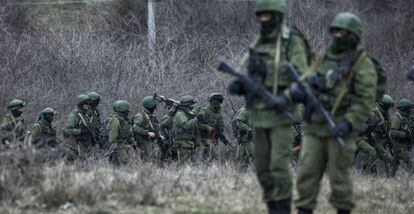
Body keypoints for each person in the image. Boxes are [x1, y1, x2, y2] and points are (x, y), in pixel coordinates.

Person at [228, 0, 309, 212]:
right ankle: (273, 206)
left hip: (281, 116)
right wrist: (241, 85)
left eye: (267, 15)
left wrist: (285, 96)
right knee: (263, 169)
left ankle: (282, 209)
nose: (263, 20)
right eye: (260, 16)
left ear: (277, 16)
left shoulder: (292, 41)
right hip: (258, 115)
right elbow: (254, 76)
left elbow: (303, 78)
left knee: (278, 167)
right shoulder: (258, 42)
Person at [293, 12, 378, 214]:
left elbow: (365, 100)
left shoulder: (362, 63)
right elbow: (306, 81)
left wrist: (349, 123)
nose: (338, 35)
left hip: (340, 128)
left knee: (340, 180)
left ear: (353, 35)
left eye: (342, 32)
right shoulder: (325, 58)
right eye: (335, 31)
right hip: (314, 127)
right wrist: (298, 92)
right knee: (306, 176)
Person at [357, 94, 395, 175]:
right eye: (387, 107)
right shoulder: (374, 114)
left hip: (372, 138)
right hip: (359, 137)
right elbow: (363, 129)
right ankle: (365, 174)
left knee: (375, 154)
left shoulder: (382, 115)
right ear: (384, 106)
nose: (388, 110)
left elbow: (386, 128)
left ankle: (371, 175)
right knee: (373, 152)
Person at [197, 93, 231, 161]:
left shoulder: (219, 112)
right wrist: (207, 127)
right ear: (212, 101)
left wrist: (225, 137)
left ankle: (208, 170)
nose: (217, 103)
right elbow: (198, 124)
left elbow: (222, 126)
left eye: (219, 101)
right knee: (214, 156)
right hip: (204, 139)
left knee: (210, 159)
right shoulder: (204, 111)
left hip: (214, 139)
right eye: (216, 101)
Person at [63, 94, 94, 161]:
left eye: (89, 105)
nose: (88, 106)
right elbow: (66, 131)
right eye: (86, 104)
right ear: (81, 104)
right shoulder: (74, 116)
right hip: (75, 146)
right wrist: (80, 131)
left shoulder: (85, 116)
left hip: (85, 146)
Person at [133, 96, 164, 160]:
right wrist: (147, 133)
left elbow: (155, 126)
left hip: (152, 140)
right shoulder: (141, 115)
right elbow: (135, 127)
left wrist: (159, 134)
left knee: (157, 156)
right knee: (147, 158)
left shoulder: (151, 115)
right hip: (144, 140)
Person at [172, 95, 201, 162]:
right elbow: (186, 125)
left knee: (190, 165)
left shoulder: (188, 114)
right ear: (188, 105)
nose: (193, 106)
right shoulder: (180, 114)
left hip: (189, 143)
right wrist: (196, 119)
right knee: (184, 165)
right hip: (182, 144)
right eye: (191, 104)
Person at [107, 100, 136, 165]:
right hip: (118, 147)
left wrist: (133, 143)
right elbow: (113, 138)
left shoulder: (124, 120)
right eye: (127, 110)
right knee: (121, 165)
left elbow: (129, 134)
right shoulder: (115, 120)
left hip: (123, 147)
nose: (128, 112)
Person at [390, 99, 413, 175]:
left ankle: (389, 178)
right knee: (411, 162)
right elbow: (392, 132)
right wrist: (404, 135)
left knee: (394, 166)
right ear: (404, 109)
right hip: (399, 148)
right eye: (408, 109)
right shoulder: (397, 118)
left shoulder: (405, 118)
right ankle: (411, 180)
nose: (410, 110)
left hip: (405, 146)